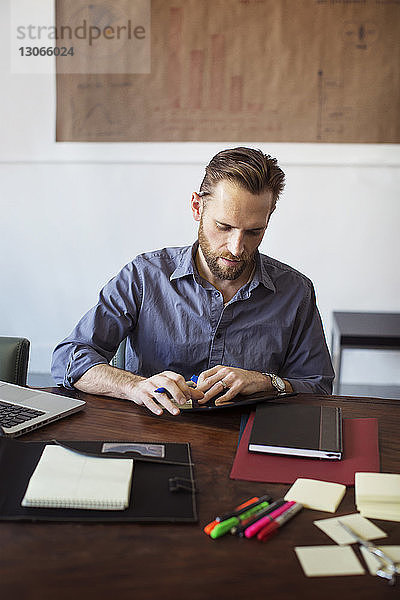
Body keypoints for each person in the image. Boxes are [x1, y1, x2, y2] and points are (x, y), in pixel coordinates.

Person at [52, 147, 334, 415]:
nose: (237, 248)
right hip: (154, 431)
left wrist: (267, 382)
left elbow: (318, 387)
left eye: (254, 231)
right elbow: (69, 358)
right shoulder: (144, 276)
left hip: (251, 439)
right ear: (197, 207)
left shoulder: (296, 292)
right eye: (224, 227)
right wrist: (134, 386)